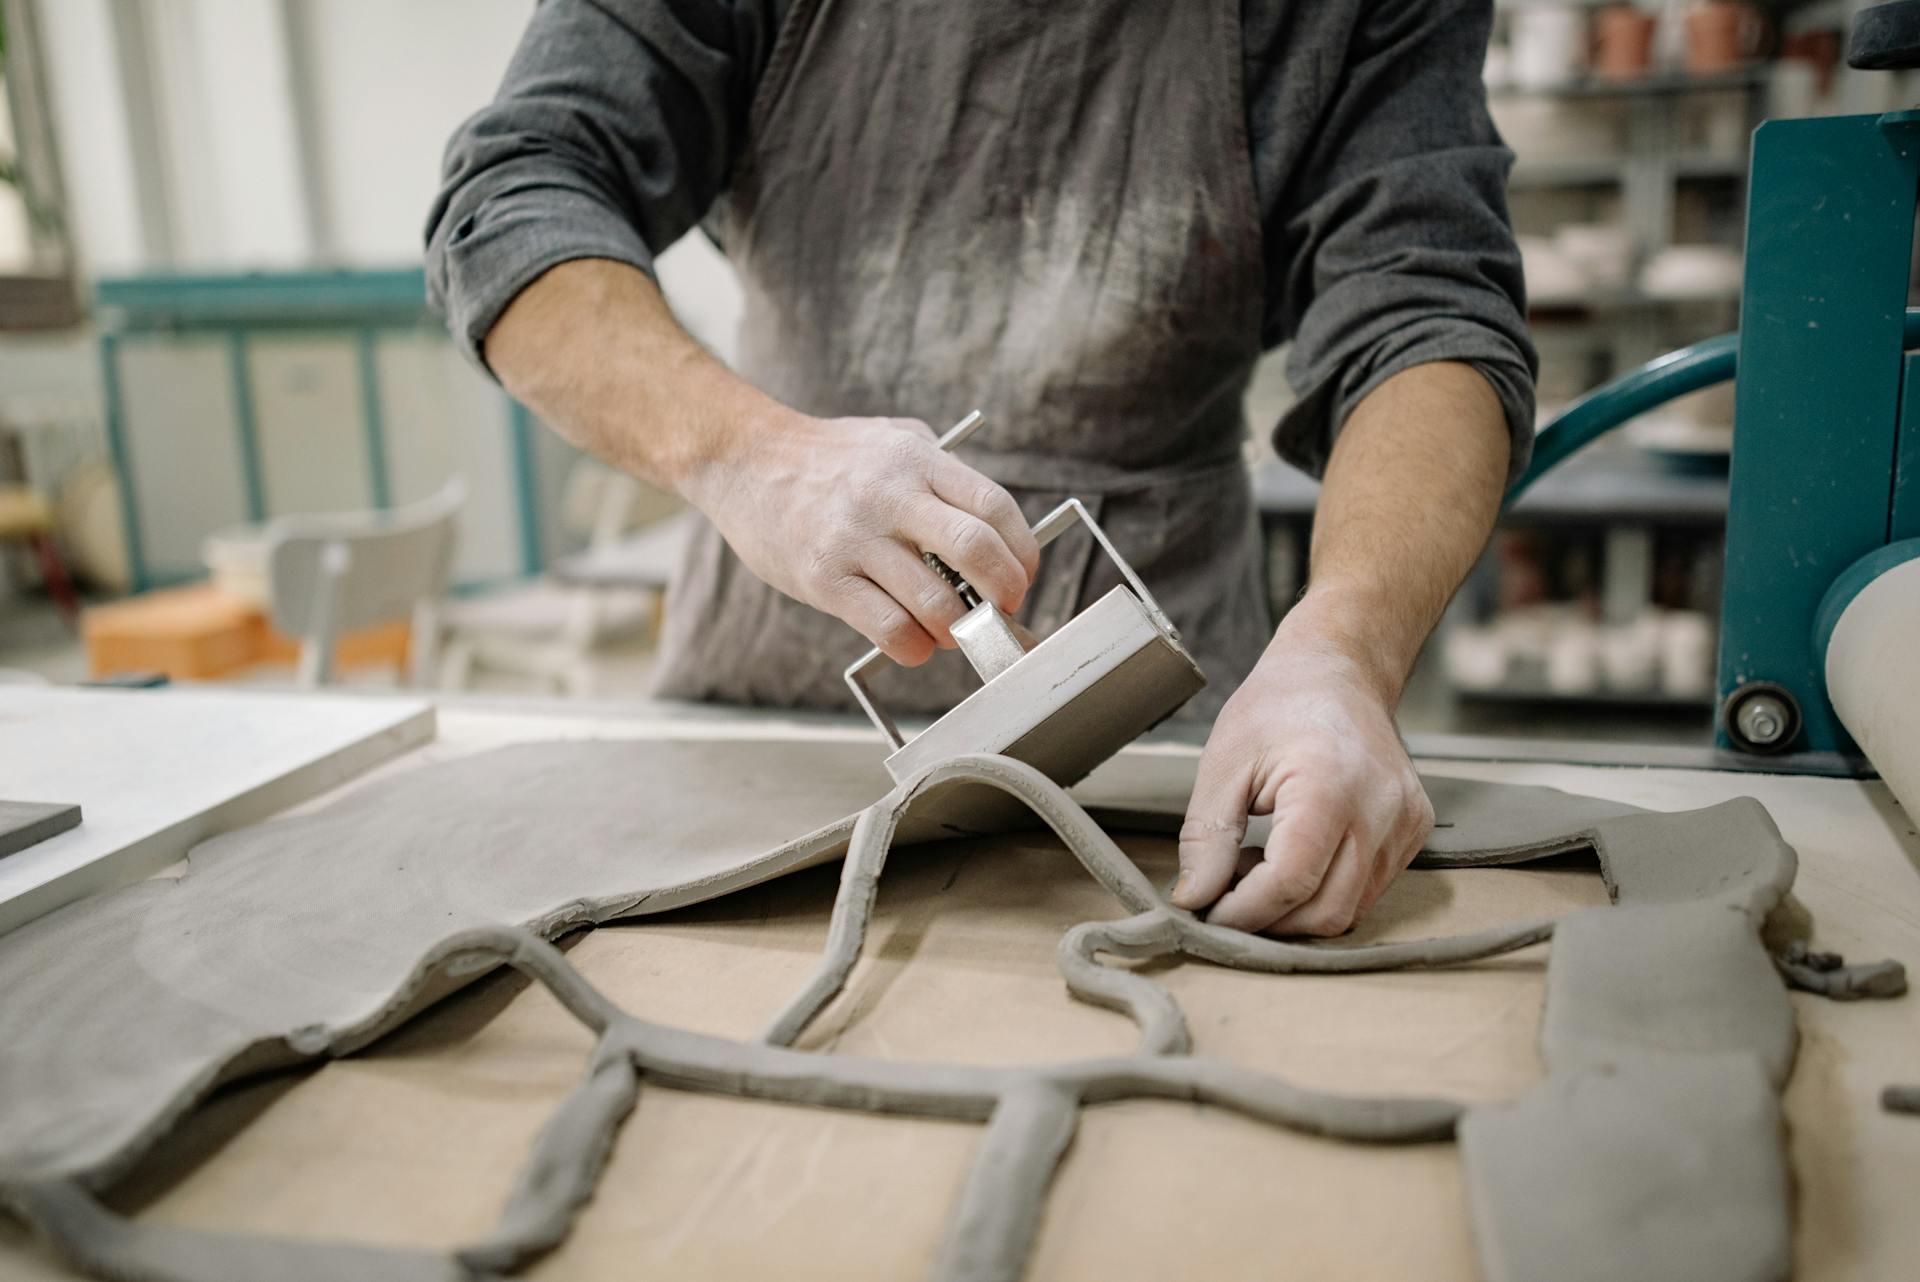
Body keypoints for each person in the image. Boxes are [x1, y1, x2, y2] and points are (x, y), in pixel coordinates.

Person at [426, 0, 1536, 939]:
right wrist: (751, 457)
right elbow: (512, 196)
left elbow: (1428, 312)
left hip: (1180, 739)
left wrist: (1346, 644)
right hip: (775, 703)